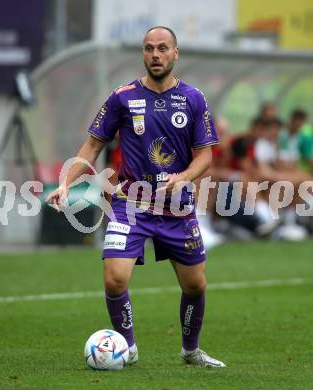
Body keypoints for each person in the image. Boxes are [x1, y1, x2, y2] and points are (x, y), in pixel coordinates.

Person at [46, 26, 226, 368]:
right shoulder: (122, 97)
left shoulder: (194, 98)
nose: (155, 54)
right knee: (115, 279)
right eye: (148, 48)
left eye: (162, 48)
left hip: (176, 207)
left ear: (175, 54)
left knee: (196, 285)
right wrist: (66, 183)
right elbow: (93, 145)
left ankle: (190, 351)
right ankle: (127, 347)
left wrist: (184, 177)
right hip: (130, 203)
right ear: (143, 54)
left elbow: (206, 156)